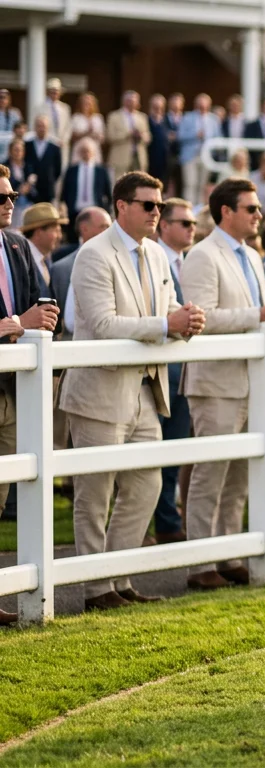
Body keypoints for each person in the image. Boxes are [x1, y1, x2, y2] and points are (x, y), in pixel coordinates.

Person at [62, 171, 206, 610]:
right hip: (98, 389)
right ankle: (93, 588)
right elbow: (103, 325)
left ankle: (117, 578)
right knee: (95, 493)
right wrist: (167, 324)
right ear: (122, 206)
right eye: (149, 205)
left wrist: (186, 316)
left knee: (145, 487)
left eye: (160, 206)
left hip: (146, 389)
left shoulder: (158, 256)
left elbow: (163, 309)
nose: (156, 213)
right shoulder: (93, 255)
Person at [180, 178, 265, 591]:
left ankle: (227, 555)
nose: (259, 215)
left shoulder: (249, 254)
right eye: (251, 208)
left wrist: (260, 315)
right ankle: (200, 561)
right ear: (226, 211)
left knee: (240, 477)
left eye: (258, 208)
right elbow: (202, 317)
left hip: (251, 380)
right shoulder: (202, 256)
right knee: (210, 474)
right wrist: (259, 314)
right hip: (216, 381)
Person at [0, 168, 60, 625]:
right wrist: (17, 323)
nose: (9, 202)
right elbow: (15, 319)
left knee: (0, 497)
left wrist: (40, 320)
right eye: (2, 196)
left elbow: (31, 305)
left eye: (12, 194)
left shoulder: (17, 245)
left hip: (13, 387)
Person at [147, 198, 194, 545]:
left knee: (174, 452)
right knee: (151, 453)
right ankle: (160, 521)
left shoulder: (187, 262)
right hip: (155, 370)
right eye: (185, 223)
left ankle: (166, 521)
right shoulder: (150, 256)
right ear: (165, 226)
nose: (192, 230)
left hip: (185, 369)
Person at [177, 94, 221, 205]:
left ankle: (199, 209)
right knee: (190, 183)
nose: (202, 106)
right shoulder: (187, 117)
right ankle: (188, 207)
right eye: (200, 104)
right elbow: (180, 136)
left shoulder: (213, 119)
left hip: (206, 157)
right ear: (195, 105)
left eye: (204, 104)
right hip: (190, 156)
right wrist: (195, 135)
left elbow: (218, 137)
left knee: (202, 185)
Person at [106, 90, 150, 178]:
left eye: (135, 101)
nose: (133, 103)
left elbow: (148, 138)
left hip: (139, 158)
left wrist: (141, 136)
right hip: (120, 158)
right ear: (125, 102)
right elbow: (110, 137)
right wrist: (127, 134)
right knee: (119, 184)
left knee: (138, 184)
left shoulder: (142, 117)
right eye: (131, 101)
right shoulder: (114, 116)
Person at [24, 116, 63, 204]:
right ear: (34, 127)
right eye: (39, 126)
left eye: (44, 126)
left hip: (48, 189)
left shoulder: (55, 147)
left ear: (48, 128)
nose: (41, 129)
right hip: (31, 190)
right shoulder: (27, 145)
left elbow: (58, 169)